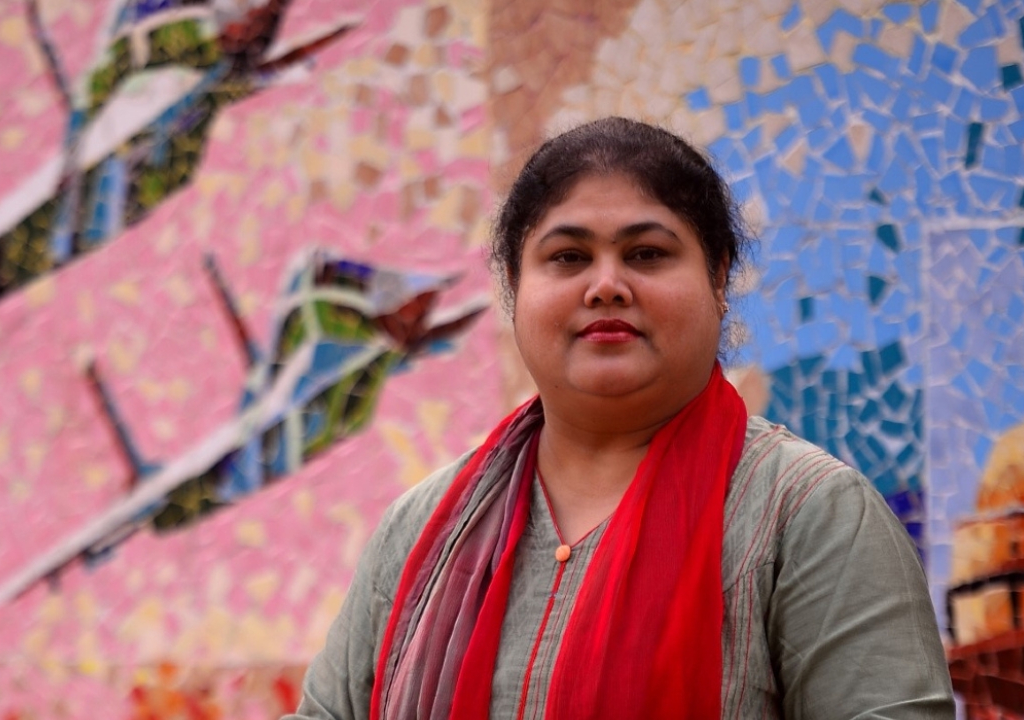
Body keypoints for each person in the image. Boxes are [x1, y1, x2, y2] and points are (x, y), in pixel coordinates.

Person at [287, 117, 954, 719]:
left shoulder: (808, 515)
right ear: (518, 291)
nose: (606, 284)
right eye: (568, 257)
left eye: (646, 254)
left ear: (719, 278)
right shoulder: (421, 530)